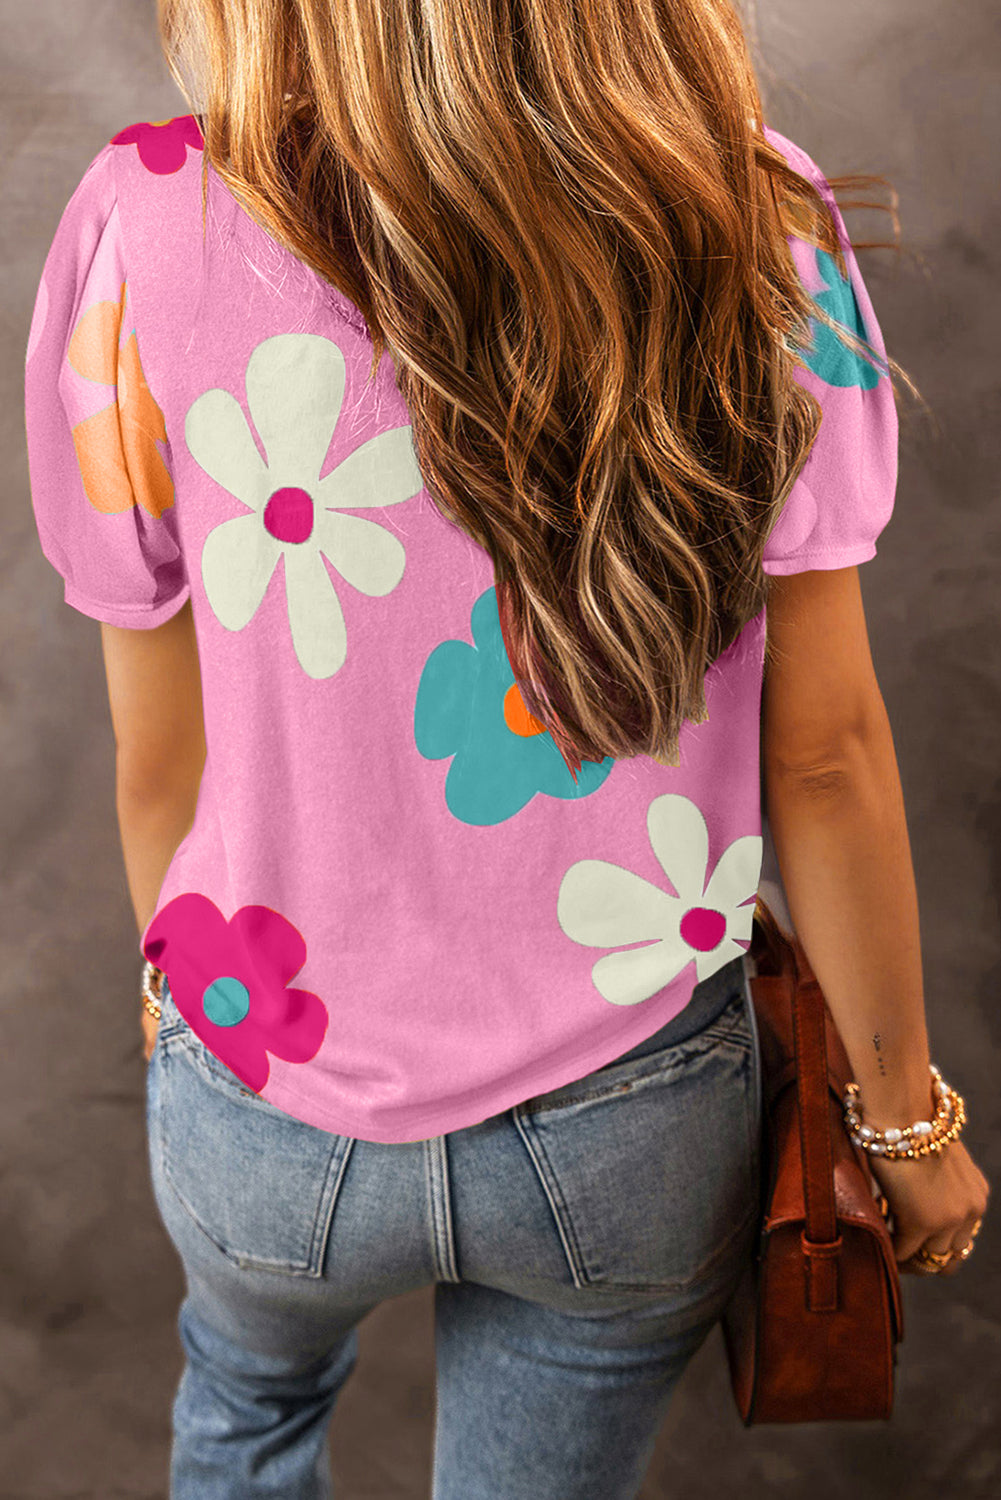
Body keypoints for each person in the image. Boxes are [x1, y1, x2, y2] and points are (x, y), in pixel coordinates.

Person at [23, 0, 988, 1496]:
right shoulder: (754, 219)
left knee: (245, 1416)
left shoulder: (142, 214)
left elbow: (160, 759)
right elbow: (824, 758)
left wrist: (182, 1007)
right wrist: (903, 1119)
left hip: (262, 1092)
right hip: (634, 1112)